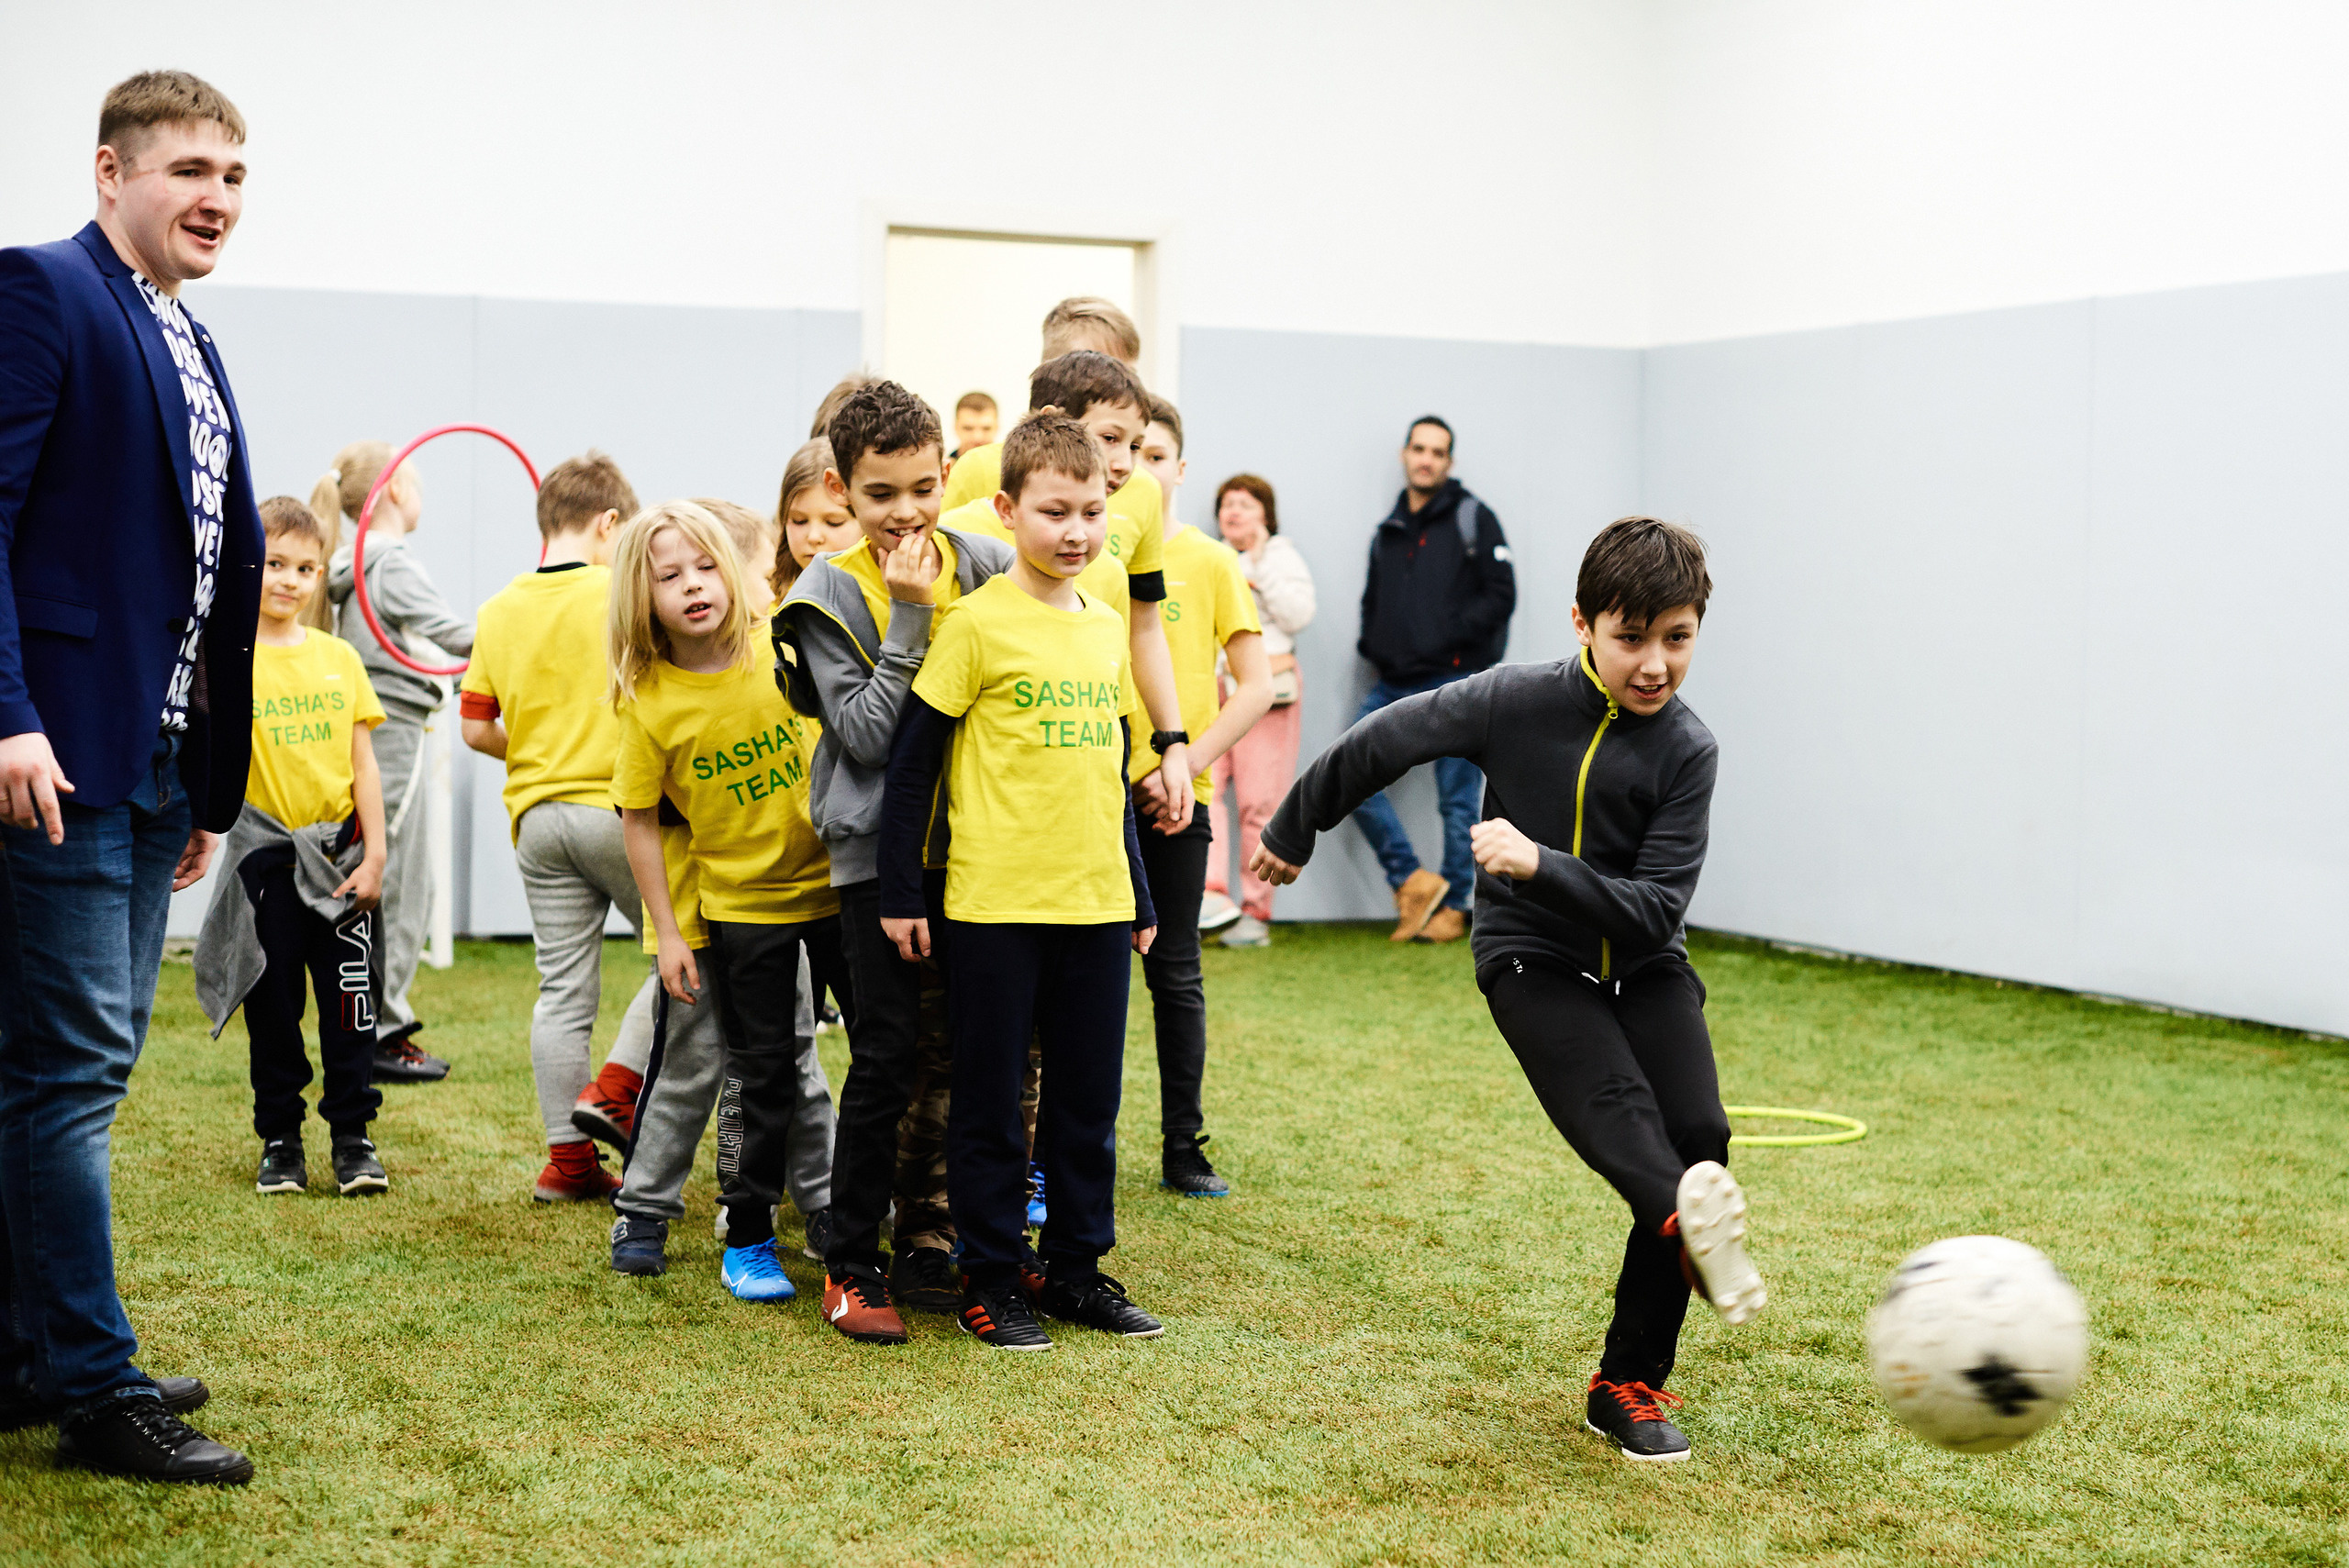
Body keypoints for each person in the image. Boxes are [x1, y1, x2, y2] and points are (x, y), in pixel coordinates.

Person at [1251, 517, 1765, 1463]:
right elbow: (1381, 740)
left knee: (1700, 1138)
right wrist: (1294, 823)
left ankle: (1626, 1382)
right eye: (1632, 637)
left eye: (1678, 637)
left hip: (1640, 956)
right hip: (1531, 955)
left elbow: (1652, 910)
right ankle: (1682, 1225)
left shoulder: (1689, 749)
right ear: (1581, 621)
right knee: (1628, 1124)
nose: (1655, 663)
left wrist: (1539, 862)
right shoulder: (1512, 699)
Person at [0, 69, 260, 1485]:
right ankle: (94, 1386)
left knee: (52, 1073)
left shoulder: (191, 338)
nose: (216, 197)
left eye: (234, 175)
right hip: (55, 756)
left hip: (150, 769)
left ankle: (27, 1350)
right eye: (189, 170)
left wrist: (201, 783)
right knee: (70, 1072)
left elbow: (205, 580)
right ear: (112, 172)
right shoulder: (44, 293)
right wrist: (6, 715)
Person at [878, 408, 1163, 1351]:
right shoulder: (972, 624)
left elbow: (1117, 771)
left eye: (1090, 510)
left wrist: (1143, 897)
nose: (1075, 530)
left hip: (1097, 905)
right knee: (993, 1104)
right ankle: (991, 1275)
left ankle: (1075, 1269)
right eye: (1053, 511)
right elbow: (912, 765)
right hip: (992, 908)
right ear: (1006, 510)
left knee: (1088, 1105)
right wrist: (899, 890)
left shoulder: (1105, 625)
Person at [774, 381, 1014, 1341]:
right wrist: (912, 618)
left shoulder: (994, 562)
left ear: (947, 473)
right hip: (876, 860)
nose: (906, 512)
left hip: (986, 851)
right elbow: (869, 737)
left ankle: (945, 1242)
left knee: (972, 1056)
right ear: (842, 487)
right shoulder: (823, 591)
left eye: (922, 487)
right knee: (883, 1055)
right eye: (880, 495)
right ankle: (850, 1259)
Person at [608, 504, 843, 1300]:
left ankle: (838, 1209)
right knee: (728, 1069)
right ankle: (689, 1220)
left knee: (830, 1062)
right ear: (640, 599)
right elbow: (637, 821)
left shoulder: (783, 645)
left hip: (828, 894)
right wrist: (670, 932)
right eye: (668, 576)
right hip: (730, 910)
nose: (693, 586)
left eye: (705, 566)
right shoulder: (648, 701)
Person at [458, 453, 657, 1202]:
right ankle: (616, 1086)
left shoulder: (498, 608)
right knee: (689, 950)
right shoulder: (621, 591)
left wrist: (538, 751)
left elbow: (477, 728)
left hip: (538, 822)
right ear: (610, 524)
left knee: (562, 992)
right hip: (617, 811)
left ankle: (567, 1163)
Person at [195, 497, 390, 1198]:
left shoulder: (340, 659)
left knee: (349, 1006)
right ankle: (281, 1138)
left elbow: (364, 763)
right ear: (249, 566)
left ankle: (352, 1137)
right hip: (265, 866)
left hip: (340, 864)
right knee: (273, 1007)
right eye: (275, 563)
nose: (289, 579)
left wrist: (375, 856)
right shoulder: (227, 662)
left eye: (306, 568)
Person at [1128, 398, 1272, 1196]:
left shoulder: (1213, 562)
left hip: (1181, 798)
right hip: (1090, 798)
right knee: (1072, 984)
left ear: (1179, 470)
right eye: (1128, 450)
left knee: (1174, 971)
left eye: (1157, 454)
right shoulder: (1088, 550)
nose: (1142, 467)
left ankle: (1184, 1145)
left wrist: (1182, 763)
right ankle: (1045, 1160)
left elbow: (1255, 686)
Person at [318, 442, 473, 1084]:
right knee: (403, 882)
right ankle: (382, 1027)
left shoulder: (357, 564)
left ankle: (372, 1020)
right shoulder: (393, 563)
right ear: (392, 491)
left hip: (382, 726)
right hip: (397, 729)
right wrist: (522, 641)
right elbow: (455, 635)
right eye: (415, 481)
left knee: (395, 877)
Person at [1351, 416, 1516, 944]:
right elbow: (1375, 600)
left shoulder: (1474, 518)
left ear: (1449, 462)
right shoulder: (1389, 527)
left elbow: (1500, 595)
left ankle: (1454, 910)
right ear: (1405, 454)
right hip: (1393, 681)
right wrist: (1373, 645)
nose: (1426, 459)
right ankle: (1413, 882)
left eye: (1438, 452)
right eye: (1419, 449)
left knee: (1458, 803)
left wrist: (1446, 641)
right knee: (1351, 777)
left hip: (1455, 683)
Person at [1199, 474, 1316, 949]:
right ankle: (1209, 902)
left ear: (1265, 514)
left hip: (1268, 689)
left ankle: (1254, 913)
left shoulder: (1282, 558)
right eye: (1227, 504)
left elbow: (1297, 616)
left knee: (1259, 805)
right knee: (1202, 792)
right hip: (1213, 687)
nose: (1234, 512)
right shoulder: (1207, 557)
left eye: (1245, 504)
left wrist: (1259, 567)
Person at [950, 391, 997, 462]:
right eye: (968, 428)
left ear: (997, 427)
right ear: (956, 427)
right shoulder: (943, 471)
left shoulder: (1014, 471)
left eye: (986, 428)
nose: (978, 438)